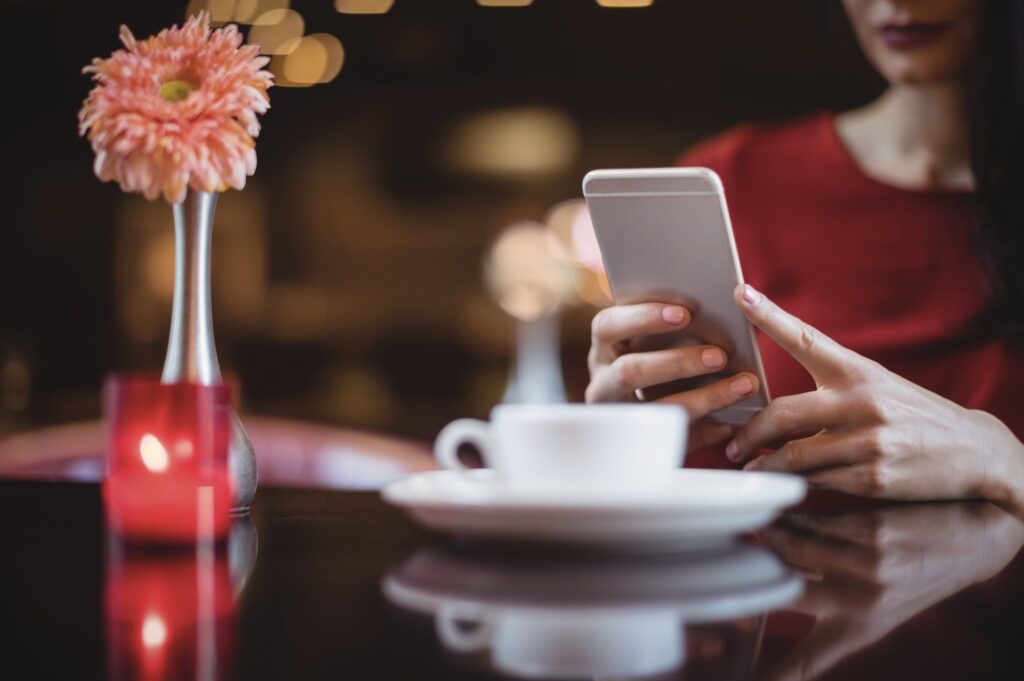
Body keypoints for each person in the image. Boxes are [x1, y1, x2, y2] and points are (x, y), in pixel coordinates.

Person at [586, 0, 1024, 513]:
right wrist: (610, 445)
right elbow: (683, 484)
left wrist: (1004, 464)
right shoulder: (738, 182)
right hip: (760, 586)